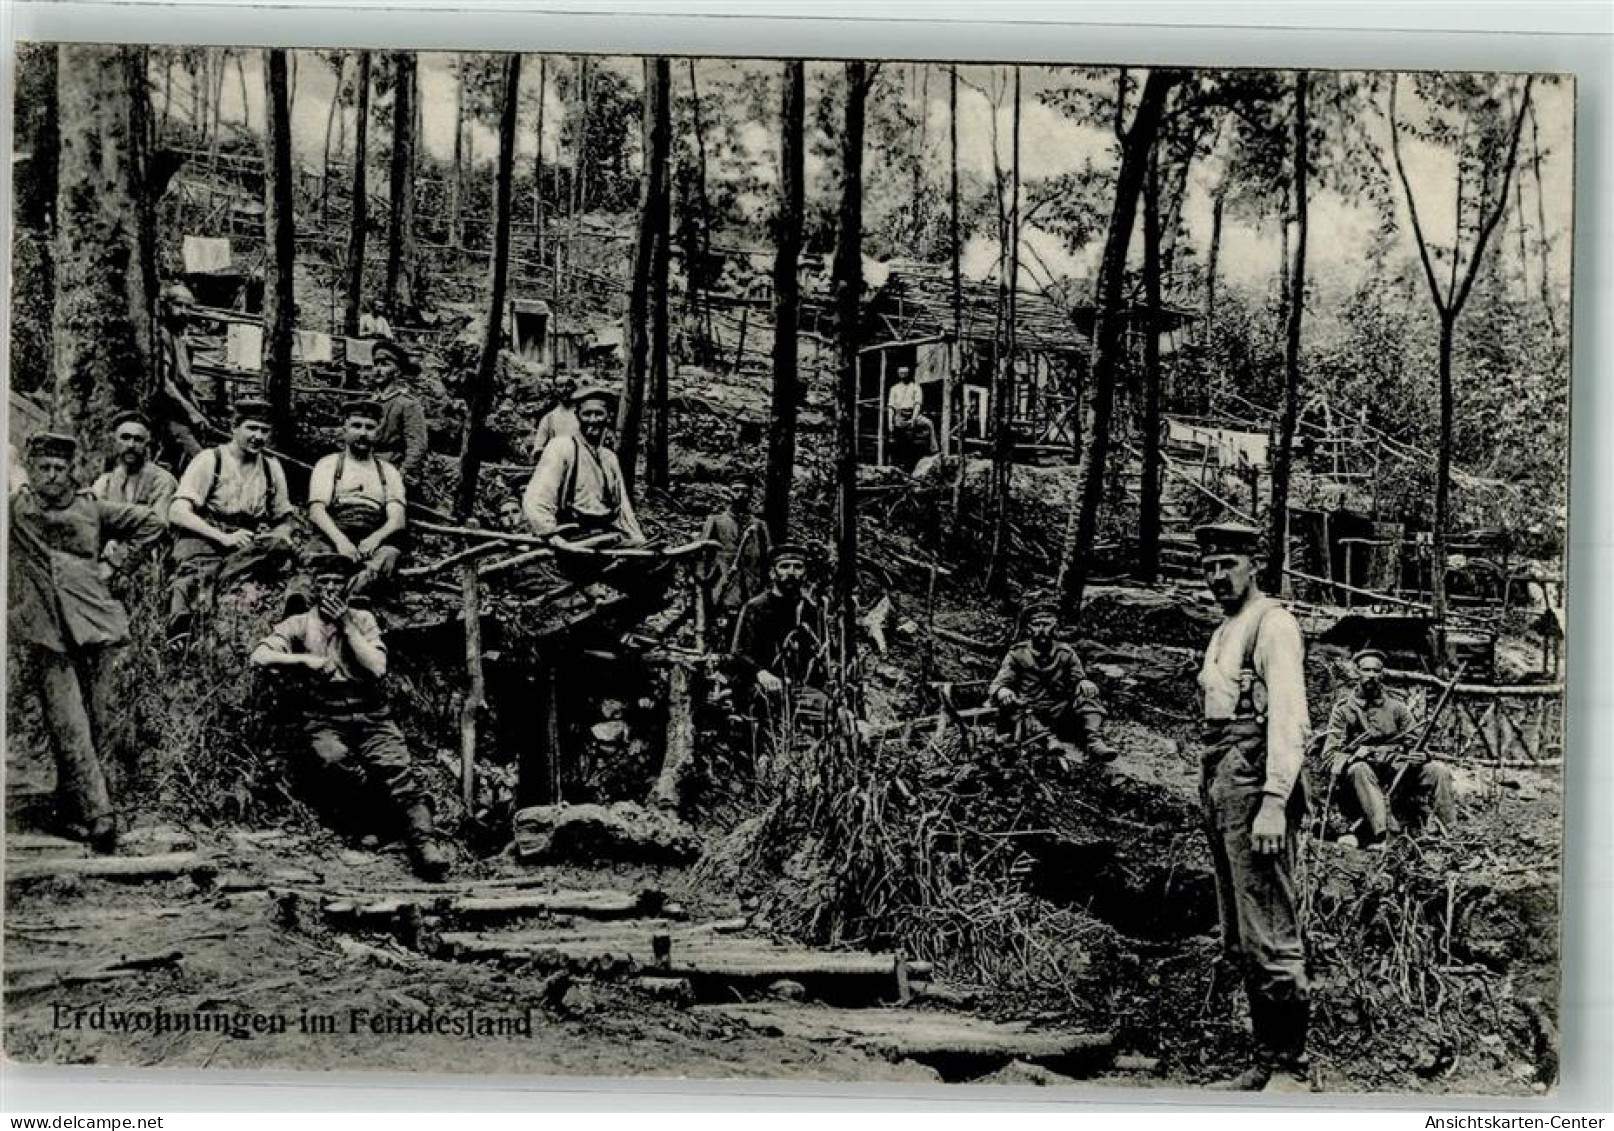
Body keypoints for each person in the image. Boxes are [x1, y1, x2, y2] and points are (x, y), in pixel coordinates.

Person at [1194, 522, 1312, 1092]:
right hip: (1222, 775)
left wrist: (1273, 801)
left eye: (1228, 563)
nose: (1218, 575)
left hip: (1254, 781)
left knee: (1268, 925)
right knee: (1241, 933)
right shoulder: (1224, 630)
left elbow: (1288, 715)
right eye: (1209, 564)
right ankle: (1266, 1059)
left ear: (1253, 565)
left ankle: (1290, 1068)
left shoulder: (1273, 623)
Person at [250, 553, 451, 881]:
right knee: (335, 760)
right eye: (323, 582)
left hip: (371, 712)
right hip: (324, 714)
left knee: (398, 769)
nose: (330, 588)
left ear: (346, 585)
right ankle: (379, 821)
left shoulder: (363, 619)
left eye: (336, 581)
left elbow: (377, 667)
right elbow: (259, 656)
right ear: (313, 587)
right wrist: (306, 661)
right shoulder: (299, 623)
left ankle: (425, 845)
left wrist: (346, 624)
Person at [9, 433, 164, 852]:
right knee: (68, 721)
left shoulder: (91, 507)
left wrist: (115, 564)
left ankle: (69, 808)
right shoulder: (16, 508)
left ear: (72, 470)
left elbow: (153, 523)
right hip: (45, 629)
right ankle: (100, 815)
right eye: (44, 467)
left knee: (98, 720)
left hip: (95, 627)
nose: (53, 476)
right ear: (32, 468)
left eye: (60, 468)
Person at [167, 398, 297, 642]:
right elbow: (177, 511)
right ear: (234, 428)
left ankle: (217, 578)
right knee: (192, 573)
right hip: (206, 534)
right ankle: (181, 630)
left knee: (278, 548)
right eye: (252, 428)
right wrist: (223, 537)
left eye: (264, 430)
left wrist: (281, 534)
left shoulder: (271, 467)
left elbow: (284, 517)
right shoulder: (210, 459)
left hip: (246, 541)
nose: (258, 436)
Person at [1321, 648, 1456, 846]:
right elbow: (1330, 755)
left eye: (1376, 671)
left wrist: (1422, 756)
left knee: (1438, 770)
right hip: (1360, 780)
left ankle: (1450, 832)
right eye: (1366, 670)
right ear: (1356, 673)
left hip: (1397, 771)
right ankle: (1384, 834)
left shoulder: (1397, 708)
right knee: (1360, 769)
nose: (1371, 676)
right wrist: (1356, 755)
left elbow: (1416, 742)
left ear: (1382, 674)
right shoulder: (1343, 711)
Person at [989, 595, 1116, 766]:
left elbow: (1078, 678)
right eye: (1036, 624)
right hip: (1029, 711)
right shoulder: (1016, 654)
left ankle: (1094, 741)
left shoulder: (1066, 653)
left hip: (1059, 711)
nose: (1042, 629)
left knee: (1088, 694)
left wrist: (1084, 682)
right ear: (1028, 628)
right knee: (1015, 708)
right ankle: (1047, 739)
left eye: (1047, 624)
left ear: (1055, 627)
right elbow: (998, 683)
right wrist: (1003, 690)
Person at [307, 398, 408, 599]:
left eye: (369, 427)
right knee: (316, 561)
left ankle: (352, 598)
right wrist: (341, 542)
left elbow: (397, 519)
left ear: (377, 432)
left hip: (374, 537)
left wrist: (374, 539)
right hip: (334, 533)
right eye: (356, 426)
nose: (362, 433)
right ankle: (300, 609)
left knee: (387, 558)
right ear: (344, 428)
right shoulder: (328, 464)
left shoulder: (388, 472)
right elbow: (316, 511)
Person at [522, 385, 646, 547]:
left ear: (609, 416)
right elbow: (536, 499)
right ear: (577, 416)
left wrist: (638, 540)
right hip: (570, 537)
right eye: (587, 414)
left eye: (599, 414)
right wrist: (550, 533)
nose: (593, 420)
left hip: (603, 536)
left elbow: (623, 511)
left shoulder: (609, 458)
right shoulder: (562, 447)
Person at [730, 543, 827, 708]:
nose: (791, 572)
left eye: (798, 567)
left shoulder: (810, 610)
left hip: (799, 688)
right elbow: (739, 652)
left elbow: (819, 651)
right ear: (772, 572)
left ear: (805, 574)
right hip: (760, 685)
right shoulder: (755, 607)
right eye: (784, 566)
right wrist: (760, 673)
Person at [91, 412, 177, 575]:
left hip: (148, 558)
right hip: (107, 553)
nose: (131, 445)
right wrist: (108, 542)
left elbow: (159, 526)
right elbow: (92, 520)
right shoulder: (105, 481)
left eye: (138, 440)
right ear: (114, 441)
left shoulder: (162, 480)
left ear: (147, 444)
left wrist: (118, 551)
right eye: (125, 438)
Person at [699, 477, 771, 641]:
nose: (741, 495)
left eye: (745, 491)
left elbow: (768, 559)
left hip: (753, 588)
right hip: (723, 587)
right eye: (736, 490)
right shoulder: (715, 521)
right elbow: (703, 558)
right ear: (729, 493)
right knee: (722, 634)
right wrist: (707, 587)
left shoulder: (760, 525)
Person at [157, 283, 216, 461]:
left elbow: (186, 385)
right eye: (178, 305)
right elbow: (164, 382)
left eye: (188, 307)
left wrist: (200, 414)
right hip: (168, 415)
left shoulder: (182, 342)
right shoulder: (162, 336)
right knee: (200, 460)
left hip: (184, 415)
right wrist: (191, 411)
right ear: (165, 306)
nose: (183, 311)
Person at [371, 339, 429, 484]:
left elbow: (417, 446)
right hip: (367, 465)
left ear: (397, 371)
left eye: (385, 364)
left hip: (393, 468)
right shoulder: (371, 402)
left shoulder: (407, 404)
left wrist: (400, 474)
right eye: (375, 364)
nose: (378, 369)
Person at [885, 366, 937, 471]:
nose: (903, 375)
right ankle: (896, 463)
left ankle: (934, 451)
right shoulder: (894, 388)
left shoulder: (915, 387)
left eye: (906, 373)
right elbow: (891, 407)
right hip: (899, 415)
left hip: (913, 413)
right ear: (898, 374)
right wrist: (890, 422)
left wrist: (913, 419)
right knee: (899, 436)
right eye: (901, 373)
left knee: (928, 423)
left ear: (909, 374)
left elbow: (918, 404)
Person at [527, 372, 580, 462]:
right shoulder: (549, 419)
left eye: (568, 385)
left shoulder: (584, 415)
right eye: (560, 386)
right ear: (555, 390)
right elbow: (538, 448)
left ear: (575, 388)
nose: (565, 390)